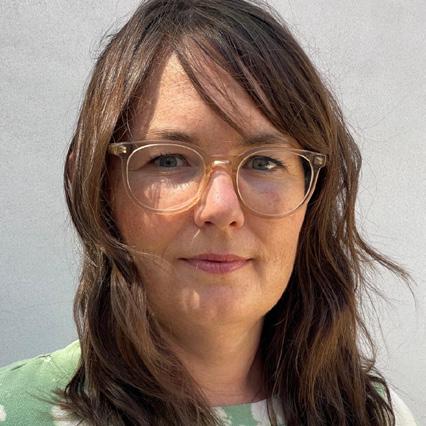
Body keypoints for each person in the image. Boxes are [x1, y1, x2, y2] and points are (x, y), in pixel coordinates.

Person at [0, 0, 418, 425]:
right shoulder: (15, 413)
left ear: (312, 193)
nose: (221, 207)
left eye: (263, 162)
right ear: (100, 188)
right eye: (169, 160)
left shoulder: (374, 414)